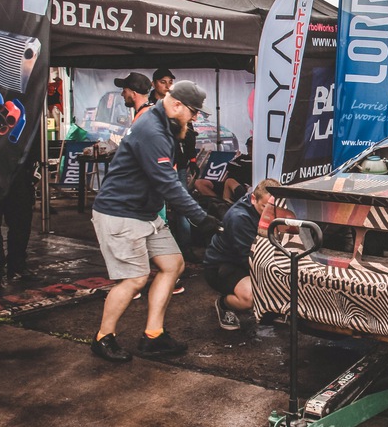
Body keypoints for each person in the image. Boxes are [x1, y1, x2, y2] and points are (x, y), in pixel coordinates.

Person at [89, 80, 222, 362]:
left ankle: (153, 335)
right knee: (134, 279)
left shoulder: (163, 124)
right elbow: (168, 185)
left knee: (173, 264)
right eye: (193, 112)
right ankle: (103, 338)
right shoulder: (152, 131)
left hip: (145, 213)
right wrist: (201, 218)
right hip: (120, 213)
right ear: (177, 105)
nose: (195, 118)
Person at [203, 178, 279, 330]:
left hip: (247, 259)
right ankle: (224, 304)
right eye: (265, 207)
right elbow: (249, 258)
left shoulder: (271, 208)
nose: (270, 213)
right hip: (223, 265)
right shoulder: (239, 218)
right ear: (253, 199)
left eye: (273, 208)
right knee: (250, 297)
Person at [0, 138, 41, 295]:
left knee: (21, 223)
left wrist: (33, 169)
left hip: (18, 173)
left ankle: (17, 265)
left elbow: (34, 138)